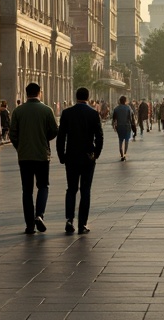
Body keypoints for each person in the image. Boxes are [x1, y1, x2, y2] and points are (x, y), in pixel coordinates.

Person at [9, 82, 58, 235]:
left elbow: (12, 134)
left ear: (26, 93)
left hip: (24, 156)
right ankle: (39, 215)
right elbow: (54, 131)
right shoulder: (46, 110)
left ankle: (29, 225)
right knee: (43, 186)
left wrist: (20, 146)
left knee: (27, 190)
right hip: (42, 155)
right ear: (40, 92)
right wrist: (44, 139)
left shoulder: (18, 111)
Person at [56, 86, 104, 235]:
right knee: (85, 190)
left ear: (76, 97)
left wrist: (61, 155)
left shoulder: (67, 113)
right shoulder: (93, 114)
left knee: (71, 189)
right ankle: (82, 224)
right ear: (88, 97)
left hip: (71, 157)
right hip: (87, 157)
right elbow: (100, 136)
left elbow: (61, 137)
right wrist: (96, 153)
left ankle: (69, 219)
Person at [111, 95, 137, 161]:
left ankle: (121, 153)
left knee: (120, 140)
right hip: (127, 126)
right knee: (126, 141)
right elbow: (131, 118)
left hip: (119, 127)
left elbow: (114, 118)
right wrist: (134, 127)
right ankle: (124, 154)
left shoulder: (116, 108)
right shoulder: (128, 108)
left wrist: (114, 126)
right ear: (125, 101)